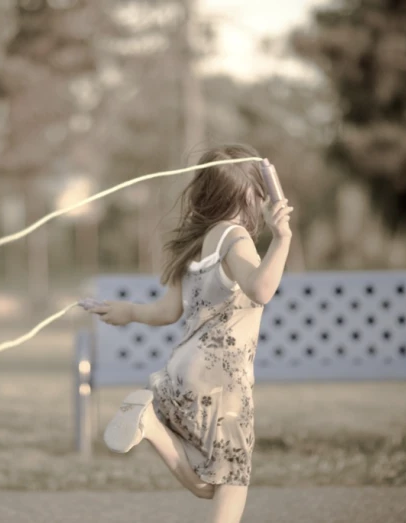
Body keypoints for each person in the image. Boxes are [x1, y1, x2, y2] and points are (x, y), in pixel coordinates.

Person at [87, 144, 293, 523]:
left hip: (184, 371)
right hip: (222, 378)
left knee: (209, 483)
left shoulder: (196, 245)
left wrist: (128, 311)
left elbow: (167, 311)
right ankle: (148, 423)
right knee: (234, 477)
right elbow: (261, 289)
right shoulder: (235, 238)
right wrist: (282, 239)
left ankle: (149, 423)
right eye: (260, 191)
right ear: (247, 194)